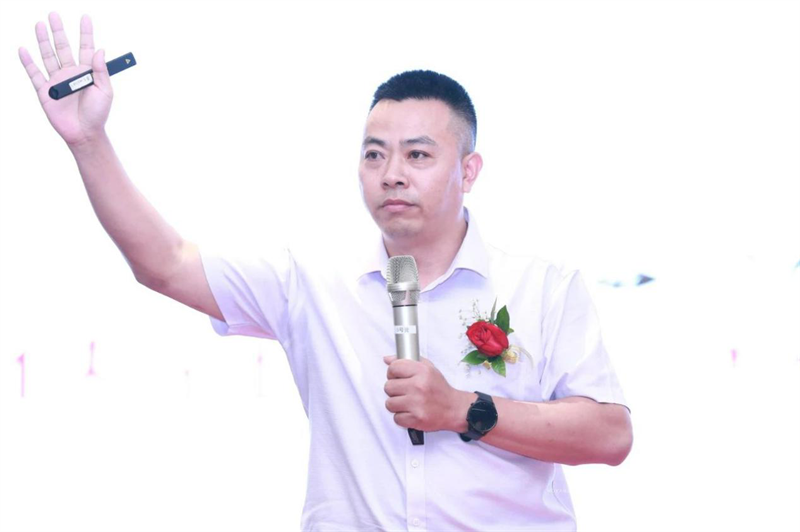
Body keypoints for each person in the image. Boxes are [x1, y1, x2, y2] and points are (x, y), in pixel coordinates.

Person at [20, 12, 633, 532]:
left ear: (468, 171)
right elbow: (165, 264)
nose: (392, 174)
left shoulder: (543, 287)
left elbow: (610, 436)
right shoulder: (312, 282)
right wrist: (88, 142)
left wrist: (463, 409)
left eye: (418, 154)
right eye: (374, 155)